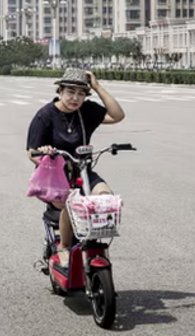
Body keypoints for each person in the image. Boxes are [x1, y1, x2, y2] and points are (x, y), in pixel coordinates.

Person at [26, 68, 126, 271]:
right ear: (60, 91)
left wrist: (97, 87)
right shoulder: (45, 116)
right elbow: (31, 152)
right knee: (70, 205)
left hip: (83, 171)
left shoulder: (86, 111)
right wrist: (44, 153)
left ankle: (92, 243)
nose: (75, 98)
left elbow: (117, 115)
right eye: (70, 92)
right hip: (55, 176)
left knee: (105, 198)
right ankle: (63, 246)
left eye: (81, 93)